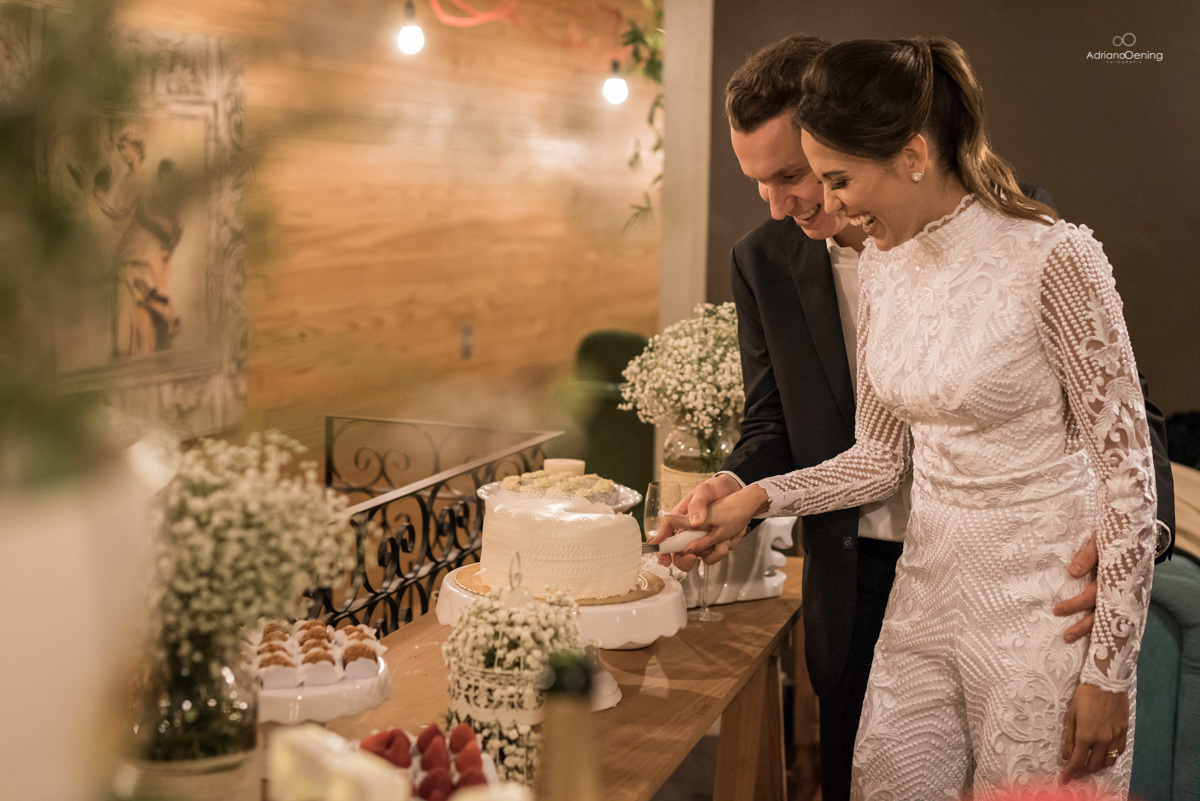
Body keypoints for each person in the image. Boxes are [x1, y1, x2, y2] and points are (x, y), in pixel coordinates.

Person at [657, 36, 1175, 799]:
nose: (821, 205)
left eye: (826, 177)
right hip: (910, 593)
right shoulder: (866, 262)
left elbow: (1127, 455)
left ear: (909, 153)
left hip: (1038, 605)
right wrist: (753, 496)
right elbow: (877, 454)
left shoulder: (1046, 250)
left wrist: (1110, 666)